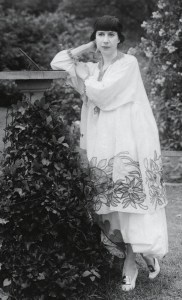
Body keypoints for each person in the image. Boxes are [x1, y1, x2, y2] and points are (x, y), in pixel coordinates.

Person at [50, 15, 168, 292]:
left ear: (119, 39)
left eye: (110, 35)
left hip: (128, 137)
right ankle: (143, 254)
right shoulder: (90, 68)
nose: (105, 40)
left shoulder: (128, 63)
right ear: (95, 38)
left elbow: (103, 94)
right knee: (105, 200)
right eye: (100, 35)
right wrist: (85, 48)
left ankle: (131, 261)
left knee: (128, 199)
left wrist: (85, 75)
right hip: (102, 139)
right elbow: (59, 62)